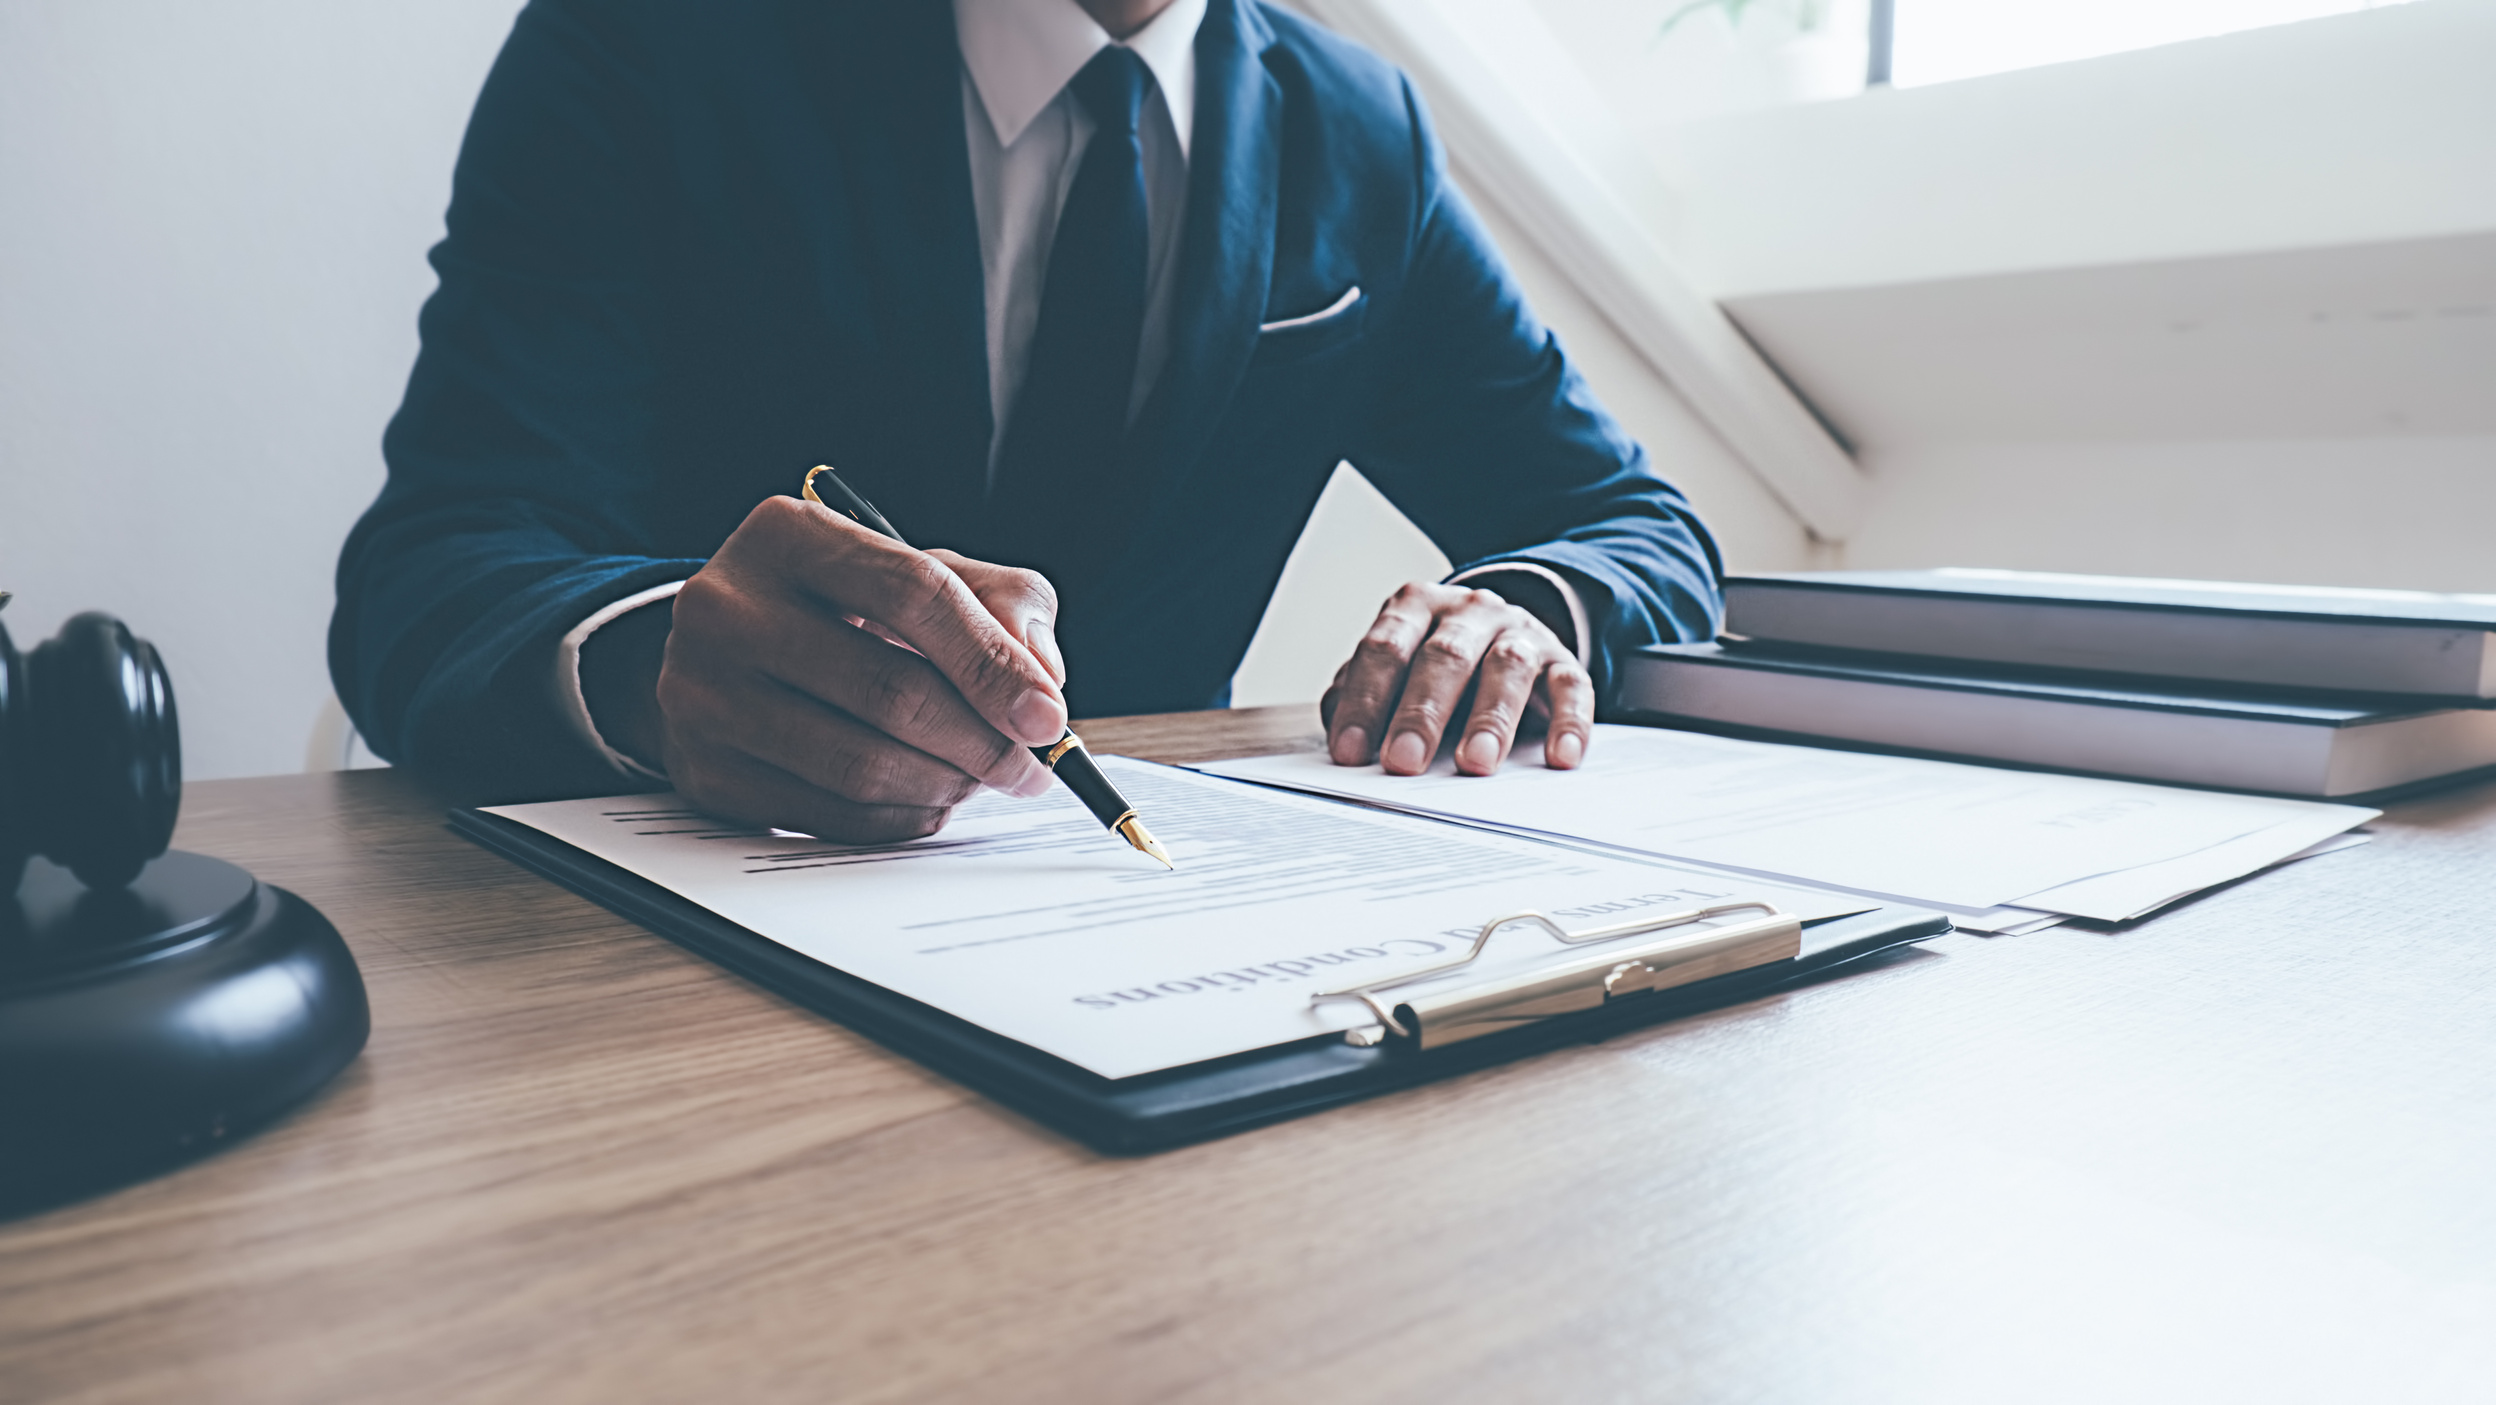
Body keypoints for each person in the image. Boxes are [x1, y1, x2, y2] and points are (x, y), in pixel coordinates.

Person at [331, 0, 1724, 841]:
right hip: (680, 983)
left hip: (1165, 978)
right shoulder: (652, 42)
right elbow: (427, 574)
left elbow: (1635, 525)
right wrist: (654, 672)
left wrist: (1529, 602)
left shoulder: (1365, 134)